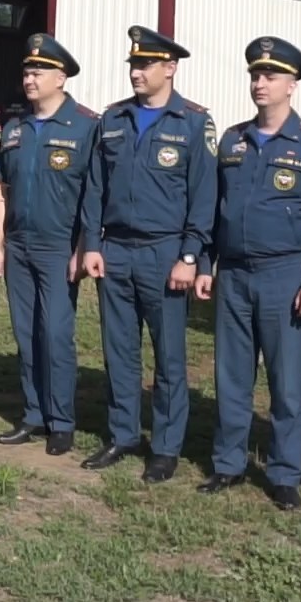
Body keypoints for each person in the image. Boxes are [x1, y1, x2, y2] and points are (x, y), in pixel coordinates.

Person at [192, 36, 301, 510]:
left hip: (285, 276)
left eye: (270, 76)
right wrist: (206, 263)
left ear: (292, 84)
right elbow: (215, 211)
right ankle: (229, 463)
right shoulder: (233, 140)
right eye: (255, 74)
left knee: (285, 381)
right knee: (232, 377)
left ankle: (284, 474)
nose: (260, 83)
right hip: (234, 275)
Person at [79, 25, 217, 480]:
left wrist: (191, 255)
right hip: (116, 249)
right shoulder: (113, 119)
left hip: (165, 253)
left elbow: (203, 196)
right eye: (134, 65)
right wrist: (93, 245)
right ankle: (122, 434)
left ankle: (165, 446)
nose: (136, 73)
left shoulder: (194, 123)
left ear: (170, 68)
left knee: (168, 356)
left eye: (145, 65)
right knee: (119, 351)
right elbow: (95, 188)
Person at [0, 33, 100, 456]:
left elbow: (93, 194)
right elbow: (2, 189)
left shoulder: (85, 127)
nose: (29, 78)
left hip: (59, 246)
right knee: (26, 332)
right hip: (19, 244)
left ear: (62, 77)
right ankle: (33, 415)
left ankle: (62, 420)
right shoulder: (15, 128)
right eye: (27, 71)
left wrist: (82, 246)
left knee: (55, 333)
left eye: (38, 72)